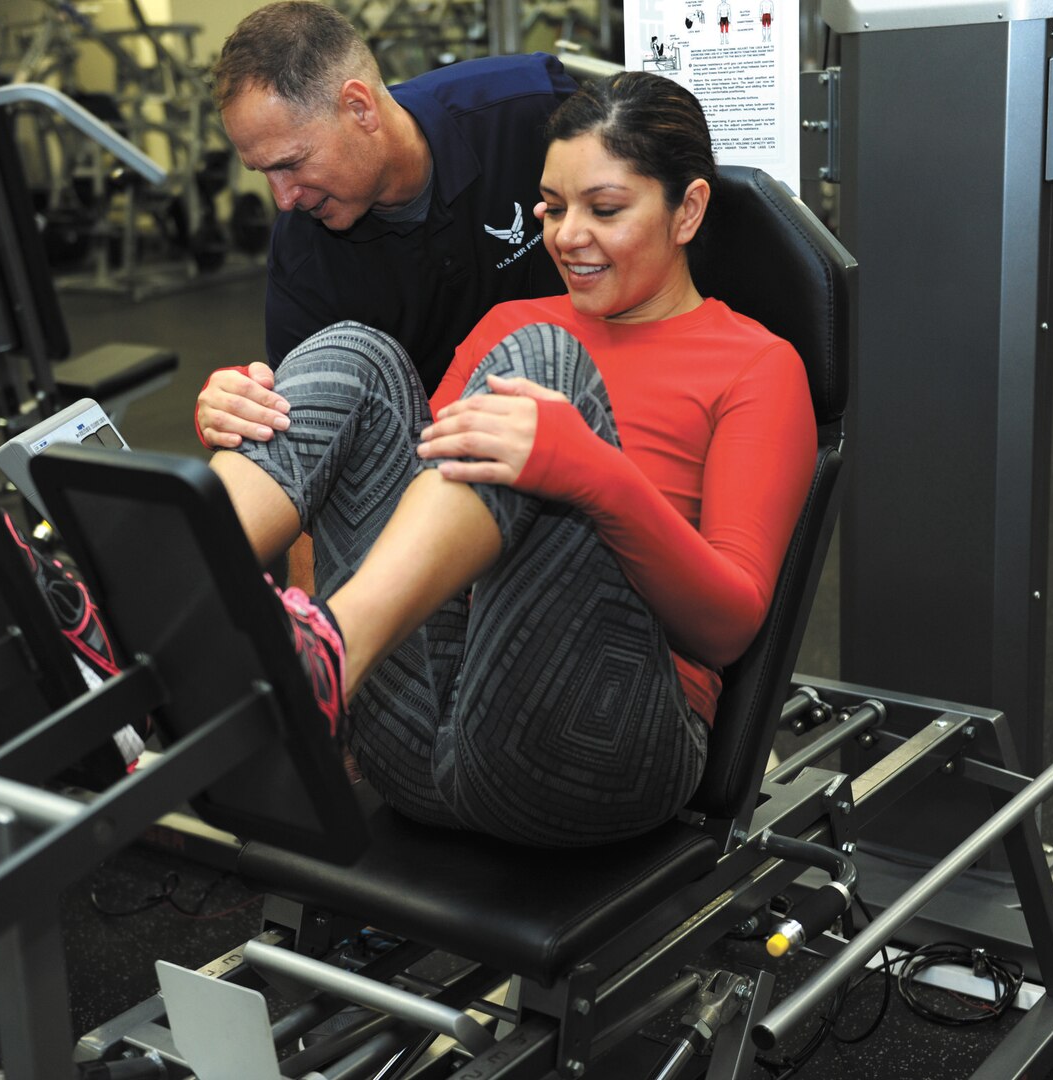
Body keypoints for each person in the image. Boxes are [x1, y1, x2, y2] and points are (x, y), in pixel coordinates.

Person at [204, 71, 817, 848]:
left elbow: (728, 628)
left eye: (604, 210)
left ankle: (325, 652)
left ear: (687, 209)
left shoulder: (756, 365)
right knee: (349, 353)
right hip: (425, 738)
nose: (566, 237)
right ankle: (140, 634)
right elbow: (415, 515)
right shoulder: (508, 318)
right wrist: (246, 411)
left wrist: (589, 472)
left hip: (602, 751)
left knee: (540, 365)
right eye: (552, 209)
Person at [193, 1, 575, 450]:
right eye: (263, 173)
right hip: (433, 462)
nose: (283, 199)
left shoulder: (531, 109)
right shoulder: (301, 249)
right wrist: (234, 408)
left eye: (292, 164)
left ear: (359, 108)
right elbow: (303, 432)